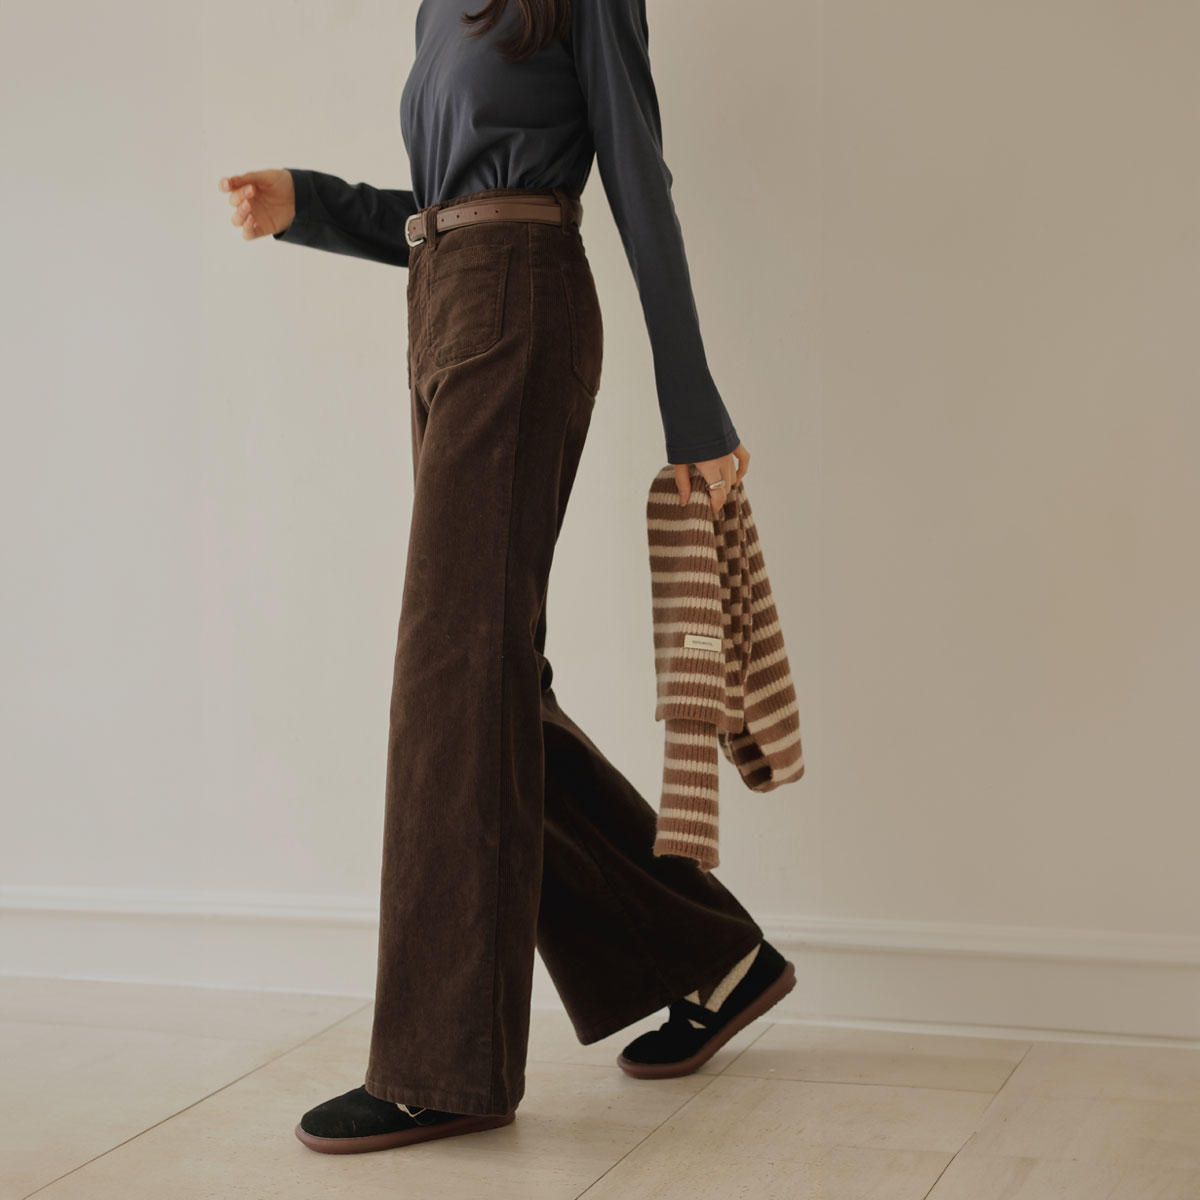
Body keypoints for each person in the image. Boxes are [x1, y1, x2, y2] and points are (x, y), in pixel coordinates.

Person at [217, 0, 794, 1155]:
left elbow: (636, 183)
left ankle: (445, 1066)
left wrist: (695, 415)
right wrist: (310, 203)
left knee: (451, 681)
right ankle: (706, 952)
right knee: (485, 684)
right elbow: (447, 210)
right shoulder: (442, 8)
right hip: (446, 310)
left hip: (520, 312)